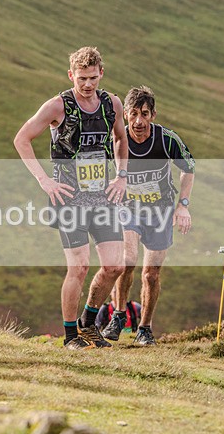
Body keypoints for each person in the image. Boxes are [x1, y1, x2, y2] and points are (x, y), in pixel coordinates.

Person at [14, 46, 127, 349]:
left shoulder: (111, 104)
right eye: (81, 78)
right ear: (70, 76)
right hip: (69, 200)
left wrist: (121, 175)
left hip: (102, 198)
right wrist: (44, 181)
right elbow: (22, 139)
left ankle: (88, 323)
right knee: (78, 267)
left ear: (101, 74)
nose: (87, 84)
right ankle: (69, 336)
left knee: (115, 266)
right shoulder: (58, 106)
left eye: (92, 78)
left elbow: (120, 138)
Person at [107, 86, 195, 345]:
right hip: (128, 208)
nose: (138, 121)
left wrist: (183, 205)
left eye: (144, 114)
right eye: (133, 114)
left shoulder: (167, 139)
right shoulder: (116, 139)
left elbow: (188, 168)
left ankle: (145, 328)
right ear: (125, 114)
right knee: (127, 260)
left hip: (160, 212)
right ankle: (119, 316)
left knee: (151, 274)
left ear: (153, 115)